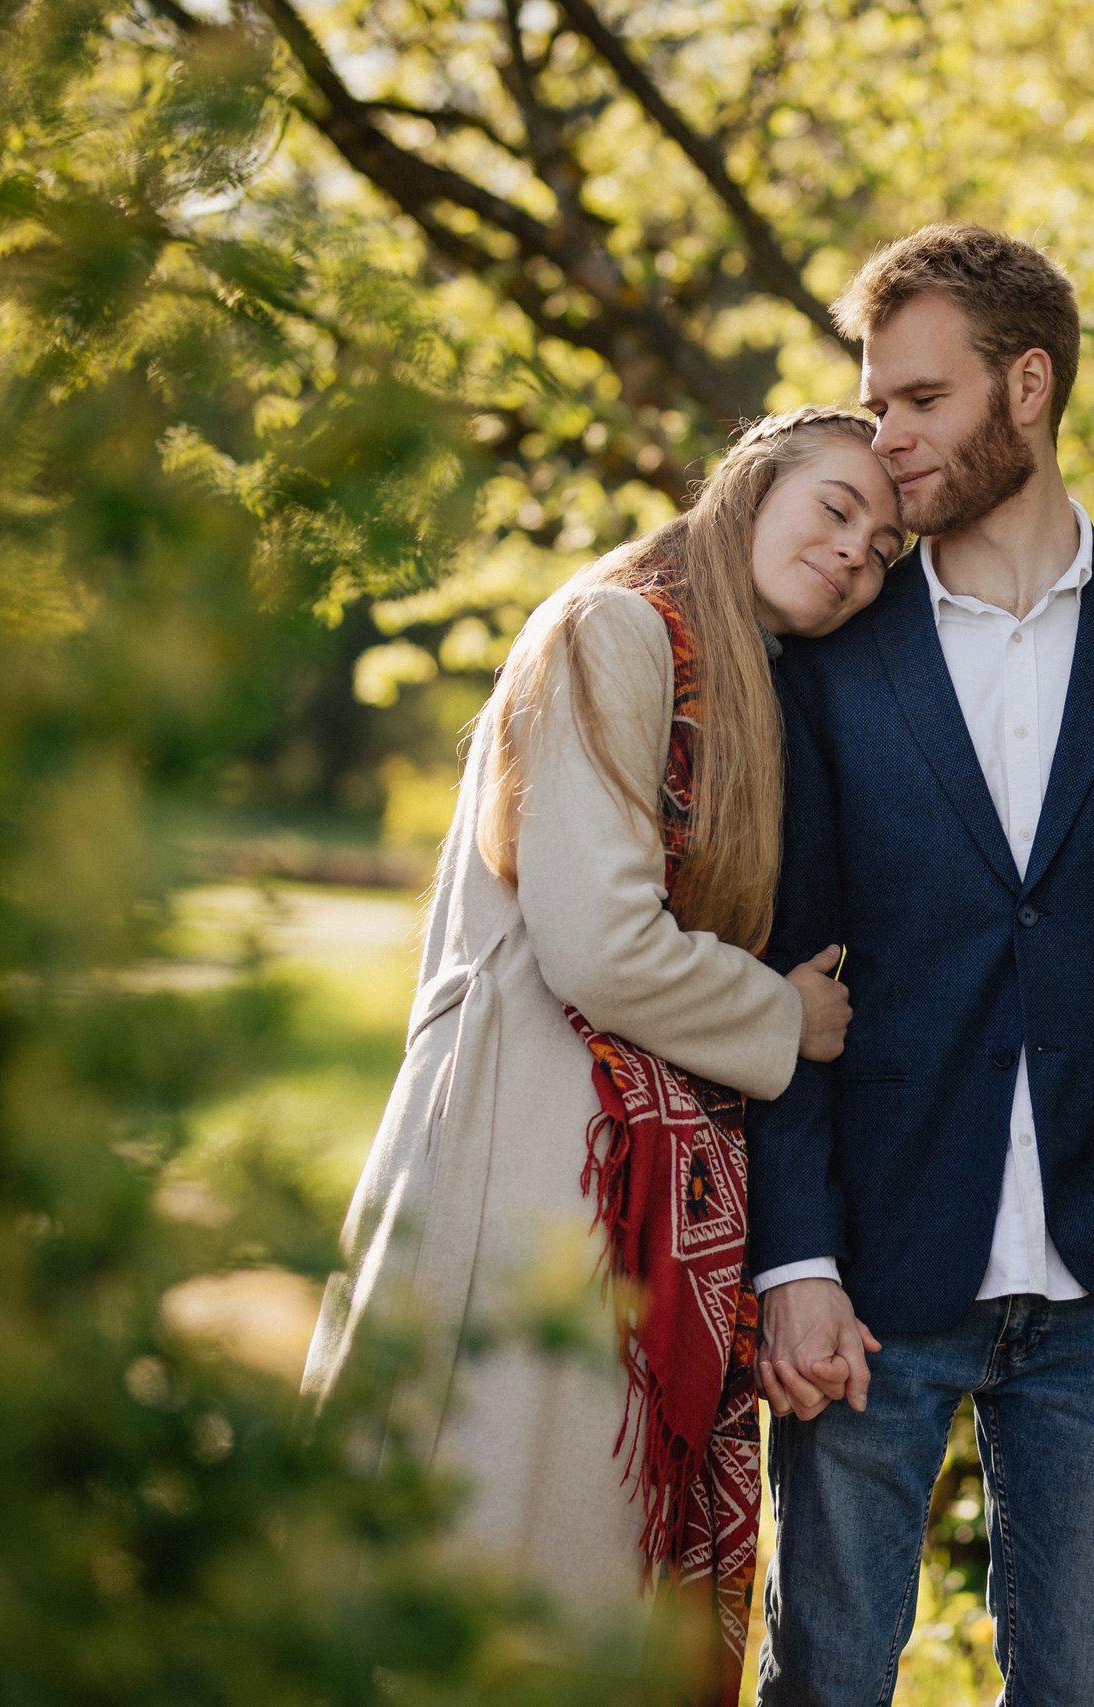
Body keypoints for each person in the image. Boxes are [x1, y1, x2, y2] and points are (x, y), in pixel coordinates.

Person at [748, 227, 1094, 1704]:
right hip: (868, 1274)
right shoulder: (830, 661)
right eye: (877, 403)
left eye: (920, 399)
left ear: (1028, 385)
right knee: (826, 1681)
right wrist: (794, 1258)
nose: (887, 437)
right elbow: (782, 969)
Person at [300, 407, 902, 1697]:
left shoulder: (740, 676)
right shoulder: (621, 628)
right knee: (496, 1538)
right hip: (537, 1153)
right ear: (751, 485)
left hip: (612, 1159)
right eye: (837, 508)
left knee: (568, 1559)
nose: (859, 552)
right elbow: (595, 941)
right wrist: (782, 1020)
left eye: (888, 548)